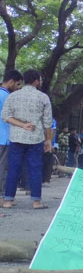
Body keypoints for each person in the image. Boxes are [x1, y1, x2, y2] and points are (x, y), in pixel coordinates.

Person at [1, 69, 53, 209]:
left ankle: (8, 200)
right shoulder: (43, 97)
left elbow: (5, 116)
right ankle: (36, 201)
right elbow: (48, 122)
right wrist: (48, 140)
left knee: (13, 169)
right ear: (36, 81)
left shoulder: (13, 96)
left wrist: (22, 125)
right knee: (35, 169)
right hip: (35, 139)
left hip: (16, 138)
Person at [0, 69, 22, 197]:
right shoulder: (8, 97)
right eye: (18, 84)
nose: (18, 87)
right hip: (4, 138)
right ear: (11, 81)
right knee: (3, 168)